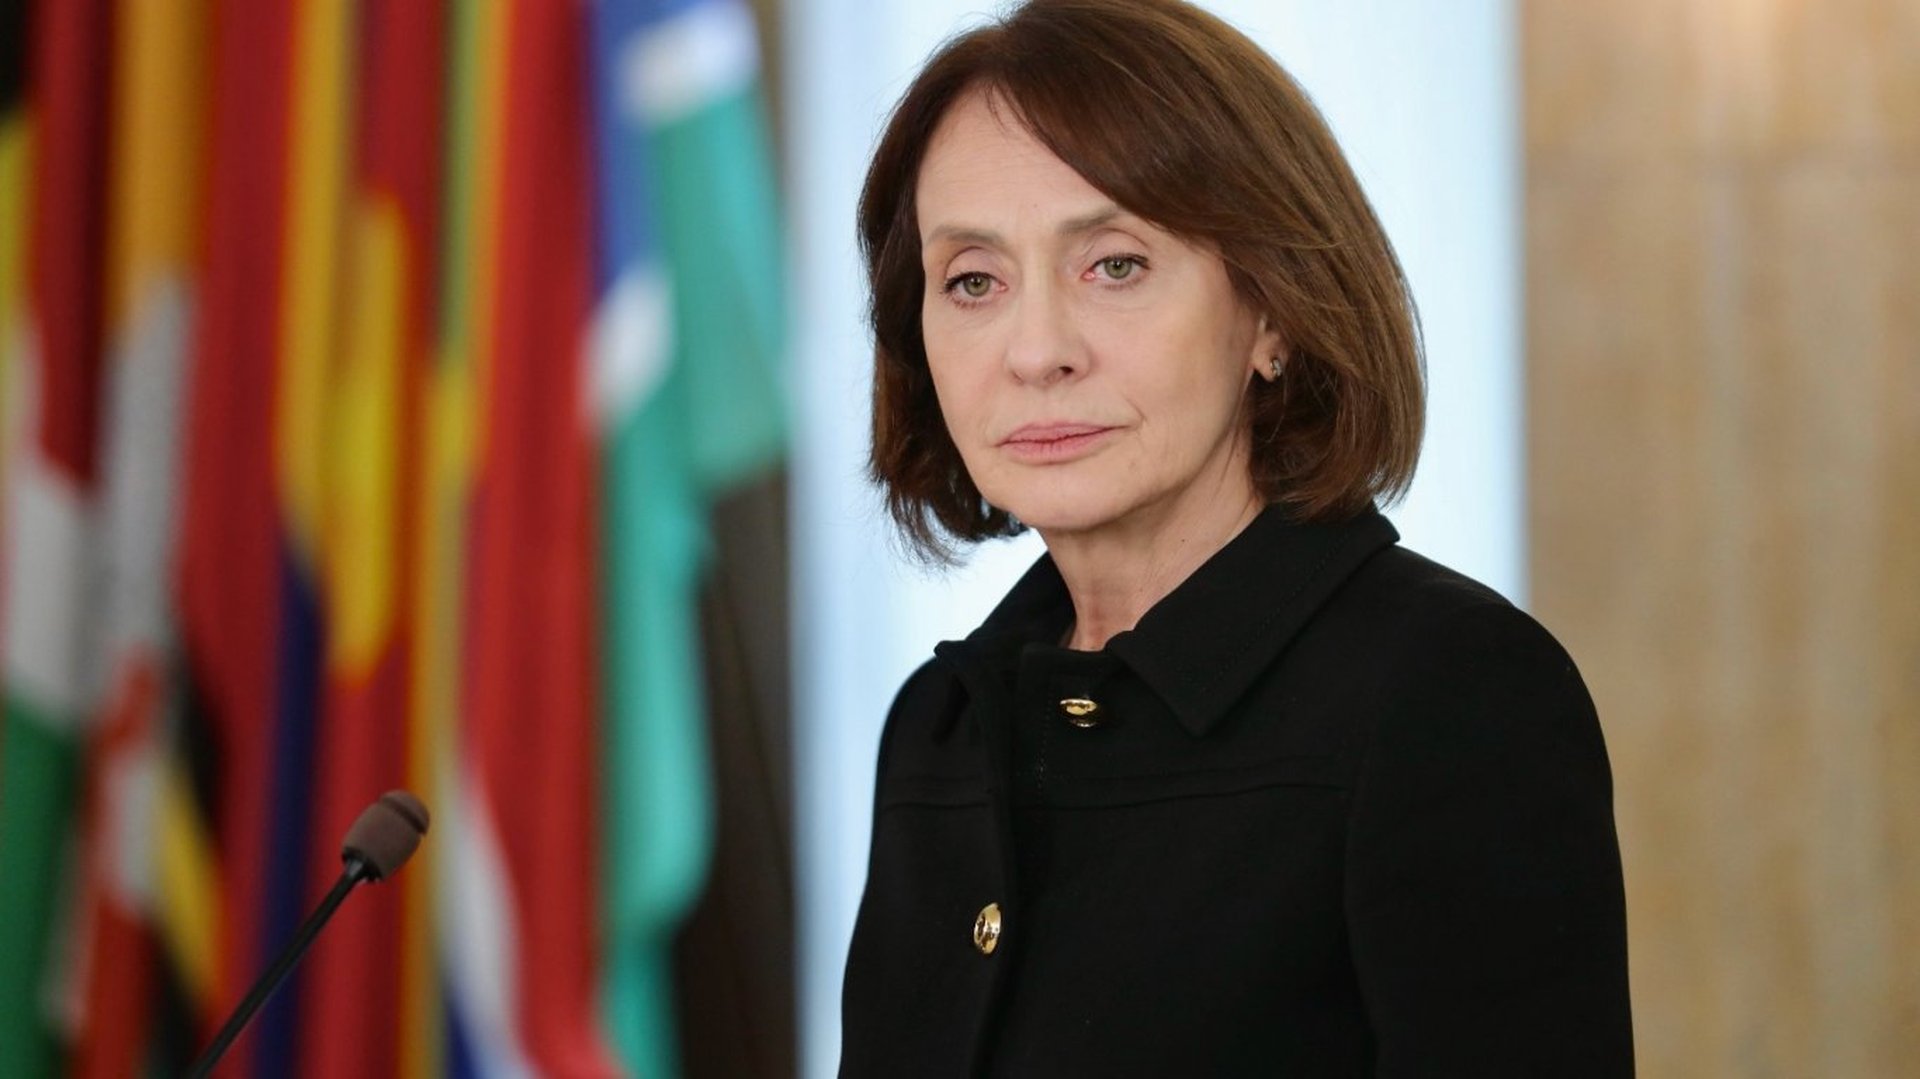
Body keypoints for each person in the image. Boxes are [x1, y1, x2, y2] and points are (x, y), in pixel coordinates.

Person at [839, 0, 1633, 1074]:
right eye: (973, 280)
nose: (1035, 351)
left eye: (1114, 264)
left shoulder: (1450, 692)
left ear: (1272, 312)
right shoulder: (940, 729)